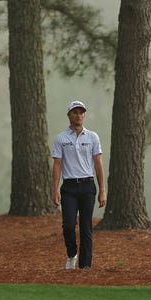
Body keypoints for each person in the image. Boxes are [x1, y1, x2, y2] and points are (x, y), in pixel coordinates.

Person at [51, 100, 106, 269]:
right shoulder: (61, 138)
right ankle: (71, 253)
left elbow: (98, 163)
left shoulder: (92, 137)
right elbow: (57, 164)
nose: (79, 115)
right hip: (69, 188)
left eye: (81, 112)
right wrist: (54, 190)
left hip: (88, 186)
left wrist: (102, 190)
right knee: (68, 226)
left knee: (86, 228)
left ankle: (85, 266)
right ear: (69, 115)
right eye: (75, 112)